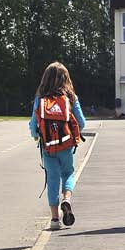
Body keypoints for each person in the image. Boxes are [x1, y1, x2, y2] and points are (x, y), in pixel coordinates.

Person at [30, 62, 86, 231]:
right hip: (67, 145)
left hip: (48, 147)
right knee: (68, 173)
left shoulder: (40, 100)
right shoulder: (71, 98)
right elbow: (82, 123)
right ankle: (66, 199)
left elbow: (33, 125)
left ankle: (55, 219)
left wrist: (37, 136)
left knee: (52, 179)